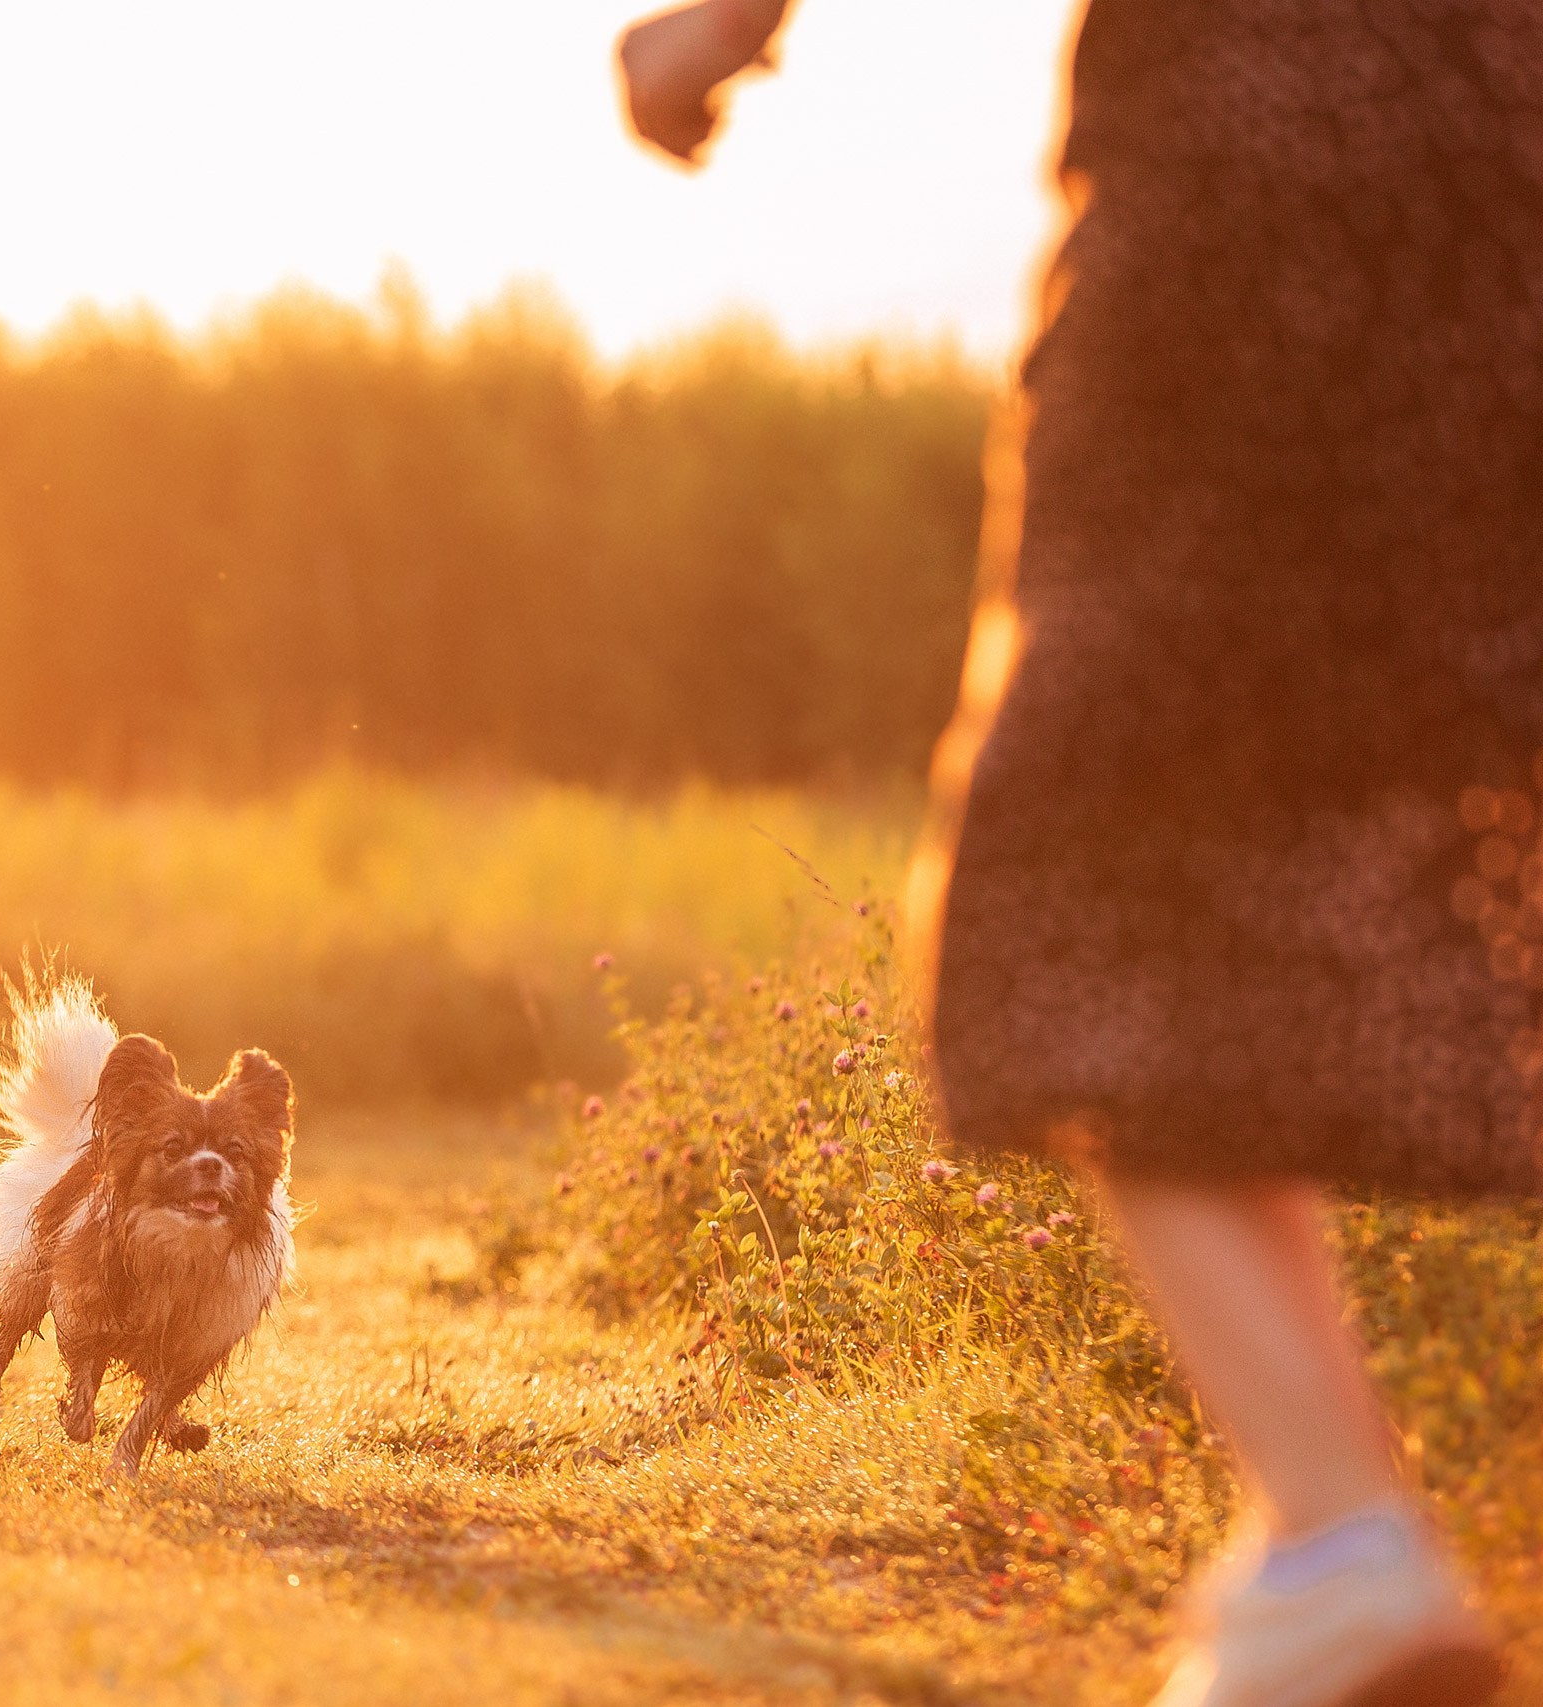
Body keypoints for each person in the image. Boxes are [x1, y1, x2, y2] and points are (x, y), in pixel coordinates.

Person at [617, 2, 1535, 1704]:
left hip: (1246, 205)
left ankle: (1342, 1546)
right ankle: (1330, 1546)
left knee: (1080, 903)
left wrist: (724, 22)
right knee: (1278, 875)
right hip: (1497, 213)